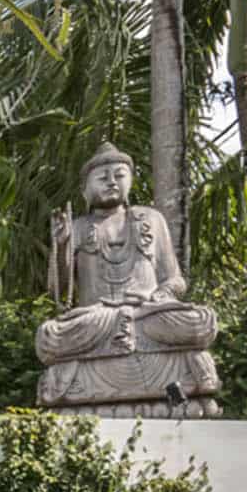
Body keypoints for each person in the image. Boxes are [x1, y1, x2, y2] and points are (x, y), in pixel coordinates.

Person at [35, 142, 221, 415]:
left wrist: (157, 296)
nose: (111, 182)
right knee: (50, 336)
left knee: (201, 322)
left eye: (119, 175)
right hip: (98, 317)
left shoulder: (152, 219)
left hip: (147, 314)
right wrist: (62, 245)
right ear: (85, 190)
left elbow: (176, 280)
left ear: (130, 181)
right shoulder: (77, 227)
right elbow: (58, 290)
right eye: (102, 177)